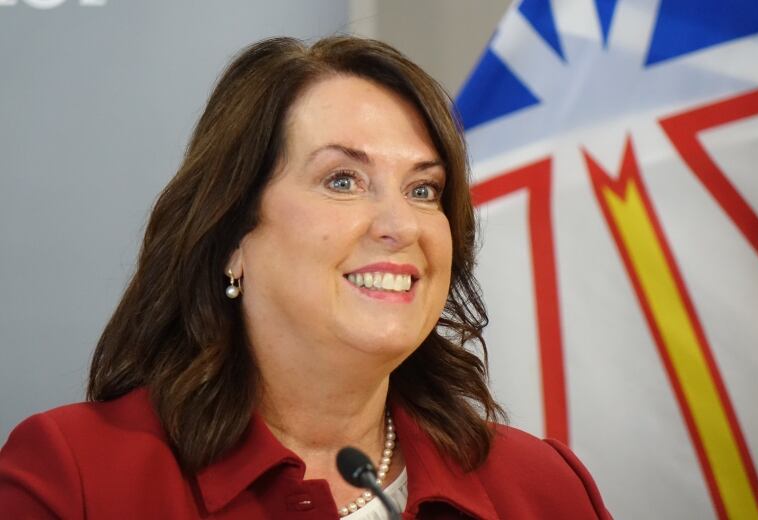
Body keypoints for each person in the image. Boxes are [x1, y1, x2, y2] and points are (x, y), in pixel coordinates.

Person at [0, 36, 611, 519]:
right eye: (343, 180)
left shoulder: (545, 489)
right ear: (231, 238)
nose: (401, 224)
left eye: (424, 190)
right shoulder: (74, 479)